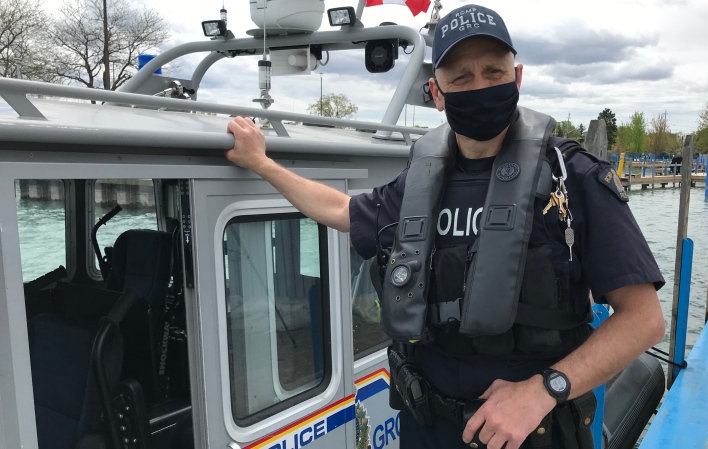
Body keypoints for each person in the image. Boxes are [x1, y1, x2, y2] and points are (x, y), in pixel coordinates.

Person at [225, 4, 665, 449]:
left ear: (517, 78)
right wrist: (263, 164)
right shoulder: (419, 183)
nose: (479, 86)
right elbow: (343, 210)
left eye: (493, 72)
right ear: (437, 93)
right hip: (427, 428)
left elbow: (643, 321)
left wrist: (543, 390)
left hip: (533, 434)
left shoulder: (575, 178)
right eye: (461, 77)